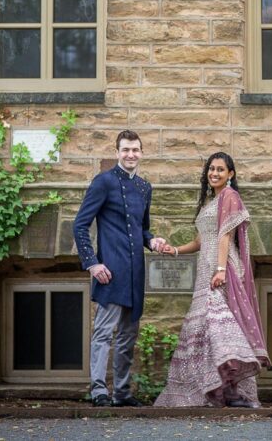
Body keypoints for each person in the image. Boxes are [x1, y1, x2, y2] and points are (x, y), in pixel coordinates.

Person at [154, 152, 270, 407]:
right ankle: (216, 390)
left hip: (223, 269)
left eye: (220, 169)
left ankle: (234, 392)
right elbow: (200, 240)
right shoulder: (211, 201)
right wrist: (175, 250)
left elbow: (225, 236)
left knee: (222, 329)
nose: (214, 173)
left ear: (230, 174)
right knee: (206, 330)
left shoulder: (230, 196)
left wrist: (220, 269)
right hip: (206, 269)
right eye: (211, 169)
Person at [73, 130, 166, 407]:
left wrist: (152, 240)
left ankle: (122, 393)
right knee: (103, 334)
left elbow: (142, 229)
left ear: (142, 153)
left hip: (135, 273)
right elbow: (79, 225)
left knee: (128, 337)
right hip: (110, 272)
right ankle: (99, 391)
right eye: (125, 149)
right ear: (117, 152)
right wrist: (92, 263)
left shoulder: (145, 187)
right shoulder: (103, 182)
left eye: (135, 150)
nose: (130, 154)